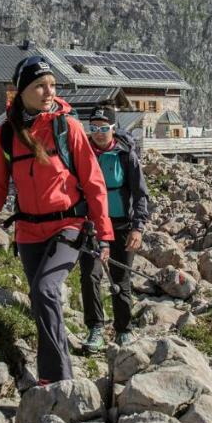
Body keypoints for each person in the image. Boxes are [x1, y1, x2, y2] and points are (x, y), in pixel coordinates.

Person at [0, 55, 113, 385]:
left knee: (46, 290)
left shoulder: (68, 127)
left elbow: (93, 182)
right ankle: (59, 371)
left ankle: (57, 380)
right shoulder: (6, 135)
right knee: (39, 298)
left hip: (69, 227)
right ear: (21, 91)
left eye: (52, 85)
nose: (49, 92)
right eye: (40, 86)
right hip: (29, 232)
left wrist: (104, 234)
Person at [79, 106, 150, 351]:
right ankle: (95, 328)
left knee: (122, 278)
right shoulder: (82, 152)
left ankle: (123, 329)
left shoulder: (125, 154)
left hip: (122, 225)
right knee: (90, 275)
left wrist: (138, 227)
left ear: (113, 128)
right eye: (93, 128)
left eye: (103, 128)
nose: (98, 133)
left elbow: (141, 194)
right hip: (92, 227)